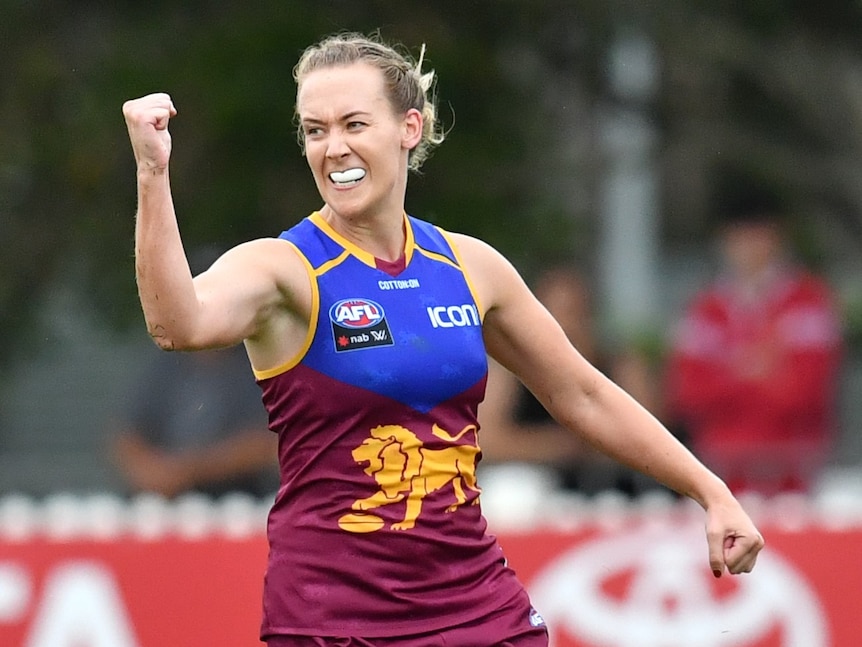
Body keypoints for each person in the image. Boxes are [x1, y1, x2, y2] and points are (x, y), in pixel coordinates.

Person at [122, 32, 763, 647]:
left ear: (409, 128)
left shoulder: (469, 267)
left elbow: (584, 396)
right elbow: (176, 325)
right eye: (315, 131)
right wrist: (153, 176)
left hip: (477, 605)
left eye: (353, 124)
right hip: (337, 616)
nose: (332, 148)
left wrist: (710, 491)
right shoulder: (285, 268)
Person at [665, 180, 844, 496]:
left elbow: (809, 391)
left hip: (795, 474)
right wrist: (759, 371)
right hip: (722, 475)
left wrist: (729, 374)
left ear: (777, 236)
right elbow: (689, 395)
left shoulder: (809, 302)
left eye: (757, 235)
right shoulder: (705, 310)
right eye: (740, 237)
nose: (749, 246)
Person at [479, 266, 665, 497]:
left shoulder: (619, 363)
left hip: (608, 482)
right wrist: (556, 446)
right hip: (538, 482)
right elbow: (486, 441)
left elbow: (654, 437)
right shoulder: (509, 369)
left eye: (575, 312)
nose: (565, 324)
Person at [110, 342, 278, 499]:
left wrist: (187, 471)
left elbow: (268, 441)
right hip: (162, 508)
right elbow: (126, 434)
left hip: (236, 506)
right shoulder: (167, 361)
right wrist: (151, 473)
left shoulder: (259, 361)